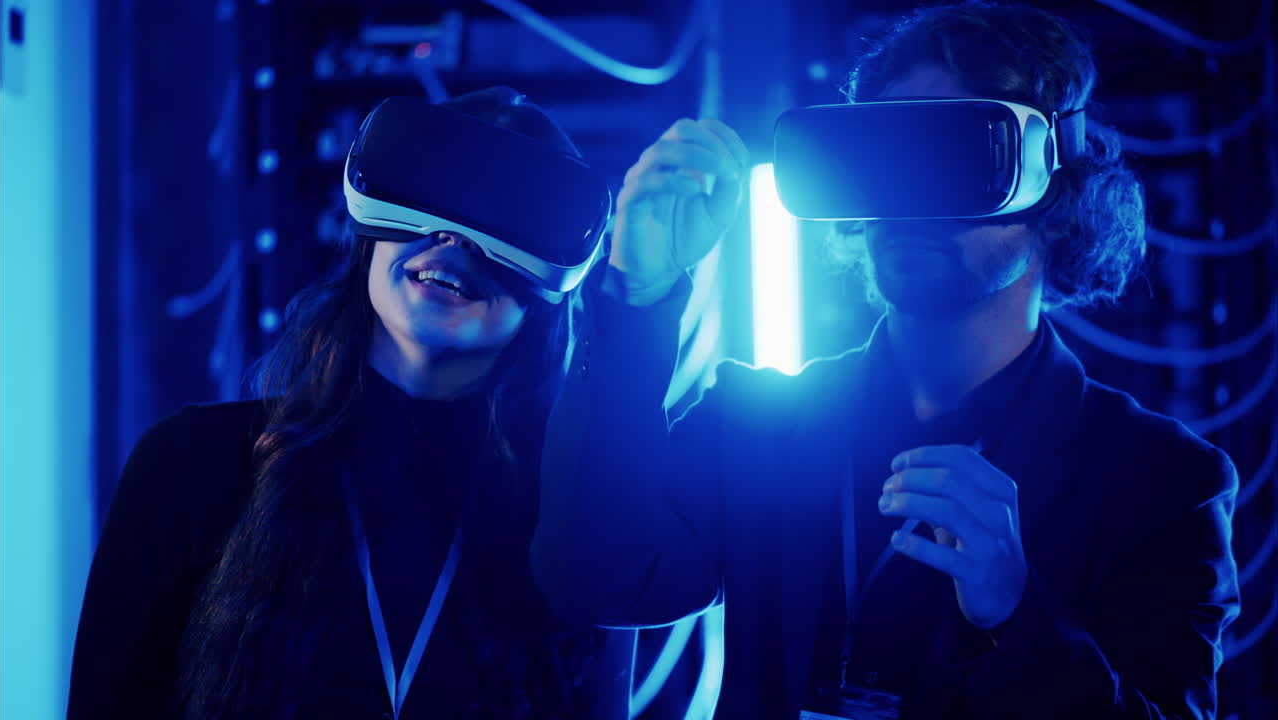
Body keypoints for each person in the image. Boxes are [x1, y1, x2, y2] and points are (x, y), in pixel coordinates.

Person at [529, 3, 1241, 719]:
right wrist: (637, 296)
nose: (908, 199)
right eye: (886, 159)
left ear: (1058, 194)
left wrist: (1016, 611)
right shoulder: (756, 422)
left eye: (958, 157)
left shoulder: (1165, 485)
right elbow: (595, 579)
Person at [68, 87, 632, 720]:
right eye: (433, 194)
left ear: (546, 294)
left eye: (507, 217)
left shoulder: (575, 536)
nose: (452, 239)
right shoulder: (186, 467)